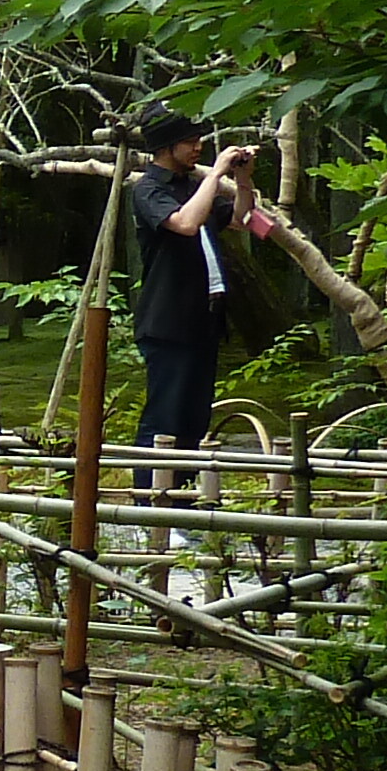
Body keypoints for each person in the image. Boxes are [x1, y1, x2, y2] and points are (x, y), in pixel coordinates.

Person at [125, 112, 257, 492]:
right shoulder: (149, 189)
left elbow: (241, 219)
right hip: (167, 322)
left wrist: (242, 179)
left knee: (194, 419)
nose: (198, 147)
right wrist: (215, 175)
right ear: (165, 148)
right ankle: (152, 503)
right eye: (190, 141)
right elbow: (184, 224)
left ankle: (182, 502)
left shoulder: (190, 185)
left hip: (204, 320)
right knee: (164, 417)